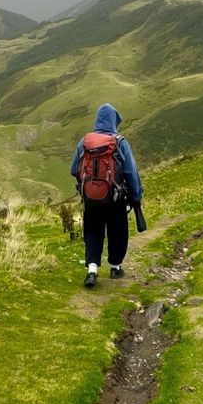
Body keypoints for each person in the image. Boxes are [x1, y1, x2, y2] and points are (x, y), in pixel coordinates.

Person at [70, 102, 143, 288]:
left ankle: (92, 270)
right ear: (113, 121)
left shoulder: (85, 142)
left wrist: (87, 188)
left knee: (92, 231)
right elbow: (130, 173)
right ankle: (115, 267)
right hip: (115, 199)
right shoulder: (119, 142)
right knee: (117, 231)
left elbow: (73, 169)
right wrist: (136, 195)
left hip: (91, 200)